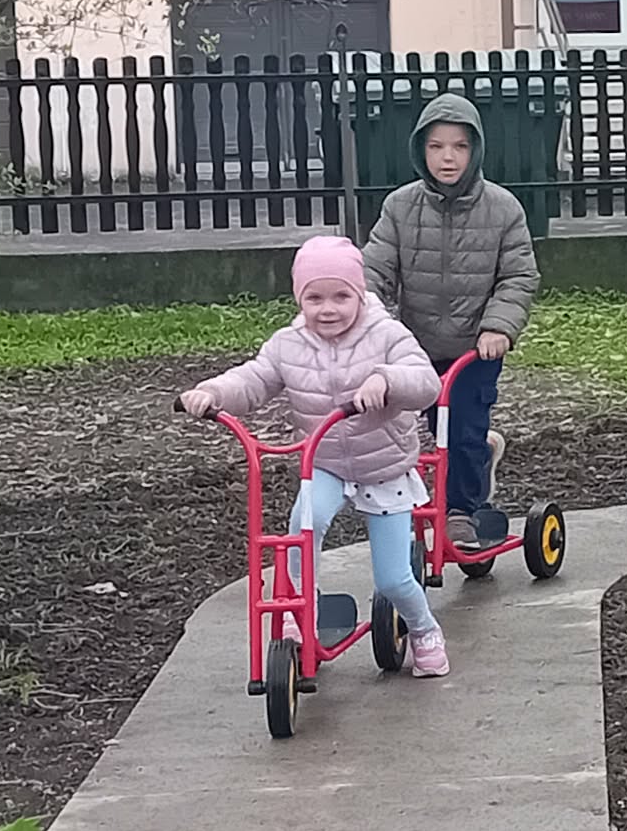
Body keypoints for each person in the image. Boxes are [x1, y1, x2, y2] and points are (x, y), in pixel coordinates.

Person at [181, 236, 450, 676]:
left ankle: (423, 629)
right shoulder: (289, 344)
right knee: (303, 527)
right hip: (324, 462)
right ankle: (301, 608)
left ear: (360, 294)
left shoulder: (387, 335)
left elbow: (425, 383)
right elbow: (254, 379)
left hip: (383, 466)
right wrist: (213, 392)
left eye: (341, 296)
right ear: (299, 299)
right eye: (315, 298)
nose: (328, 309)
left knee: (393, 578)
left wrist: (386, 380)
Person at [363, 94, 540, 551]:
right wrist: (366, 315)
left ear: (475, 149)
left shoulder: (502, 208)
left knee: (460, 427)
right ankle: (409, 498)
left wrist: (498, 326)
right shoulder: (400, 207)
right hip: (416, 347)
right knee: (417, 427)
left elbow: (518, 275)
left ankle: (460, 510)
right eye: (436, 146)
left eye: (459, 146)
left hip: (474, 349)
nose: (448, 157)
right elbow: (375, 269)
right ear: (420, 149)